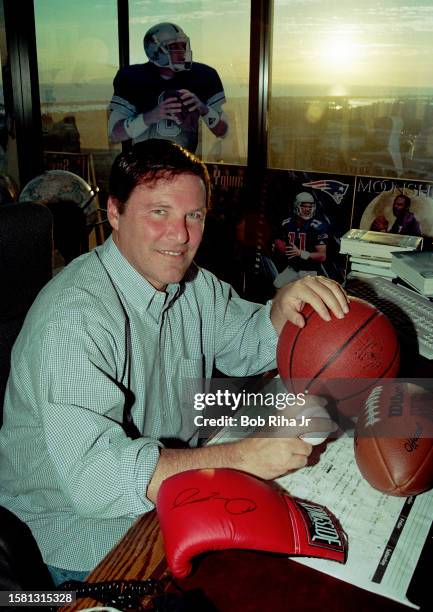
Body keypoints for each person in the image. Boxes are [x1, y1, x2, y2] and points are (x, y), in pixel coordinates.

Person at [0, 140, 349, 585]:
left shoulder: (192, 284)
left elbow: (247, 344)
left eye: (194, 216)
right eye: (159, 212)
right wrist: (243, 458)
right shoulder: (75, 318)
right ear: (114, 213)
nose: (180, 235)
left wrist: (280, 311)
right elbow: (95, 479)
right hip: (77, 533)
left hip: (169, 489)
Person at [108, 22, 228, 153]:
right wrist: (152, 115)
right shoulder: (132, 77)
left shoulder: (203, 75)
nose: (182, 52)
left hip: (184, 166)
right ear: (155, 50)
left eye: (183, 46)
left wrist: (203, 109)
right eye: (174, 46)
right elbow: (115, 134)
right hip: (145, 167)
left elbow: (223, 131)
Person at [273, 192, 329, 284]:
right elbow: (278, 240)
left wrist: (300, 253)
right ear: (296, 206)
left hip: (309, 271)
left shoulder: (318, 227)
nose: (307, 209)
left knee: (304, 292)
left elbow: (322, 256)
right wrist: (279, 245)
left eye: (310, 206)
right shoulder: (287, 223)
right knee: (278, 284)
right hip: (293, 268)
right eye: (304, 206)